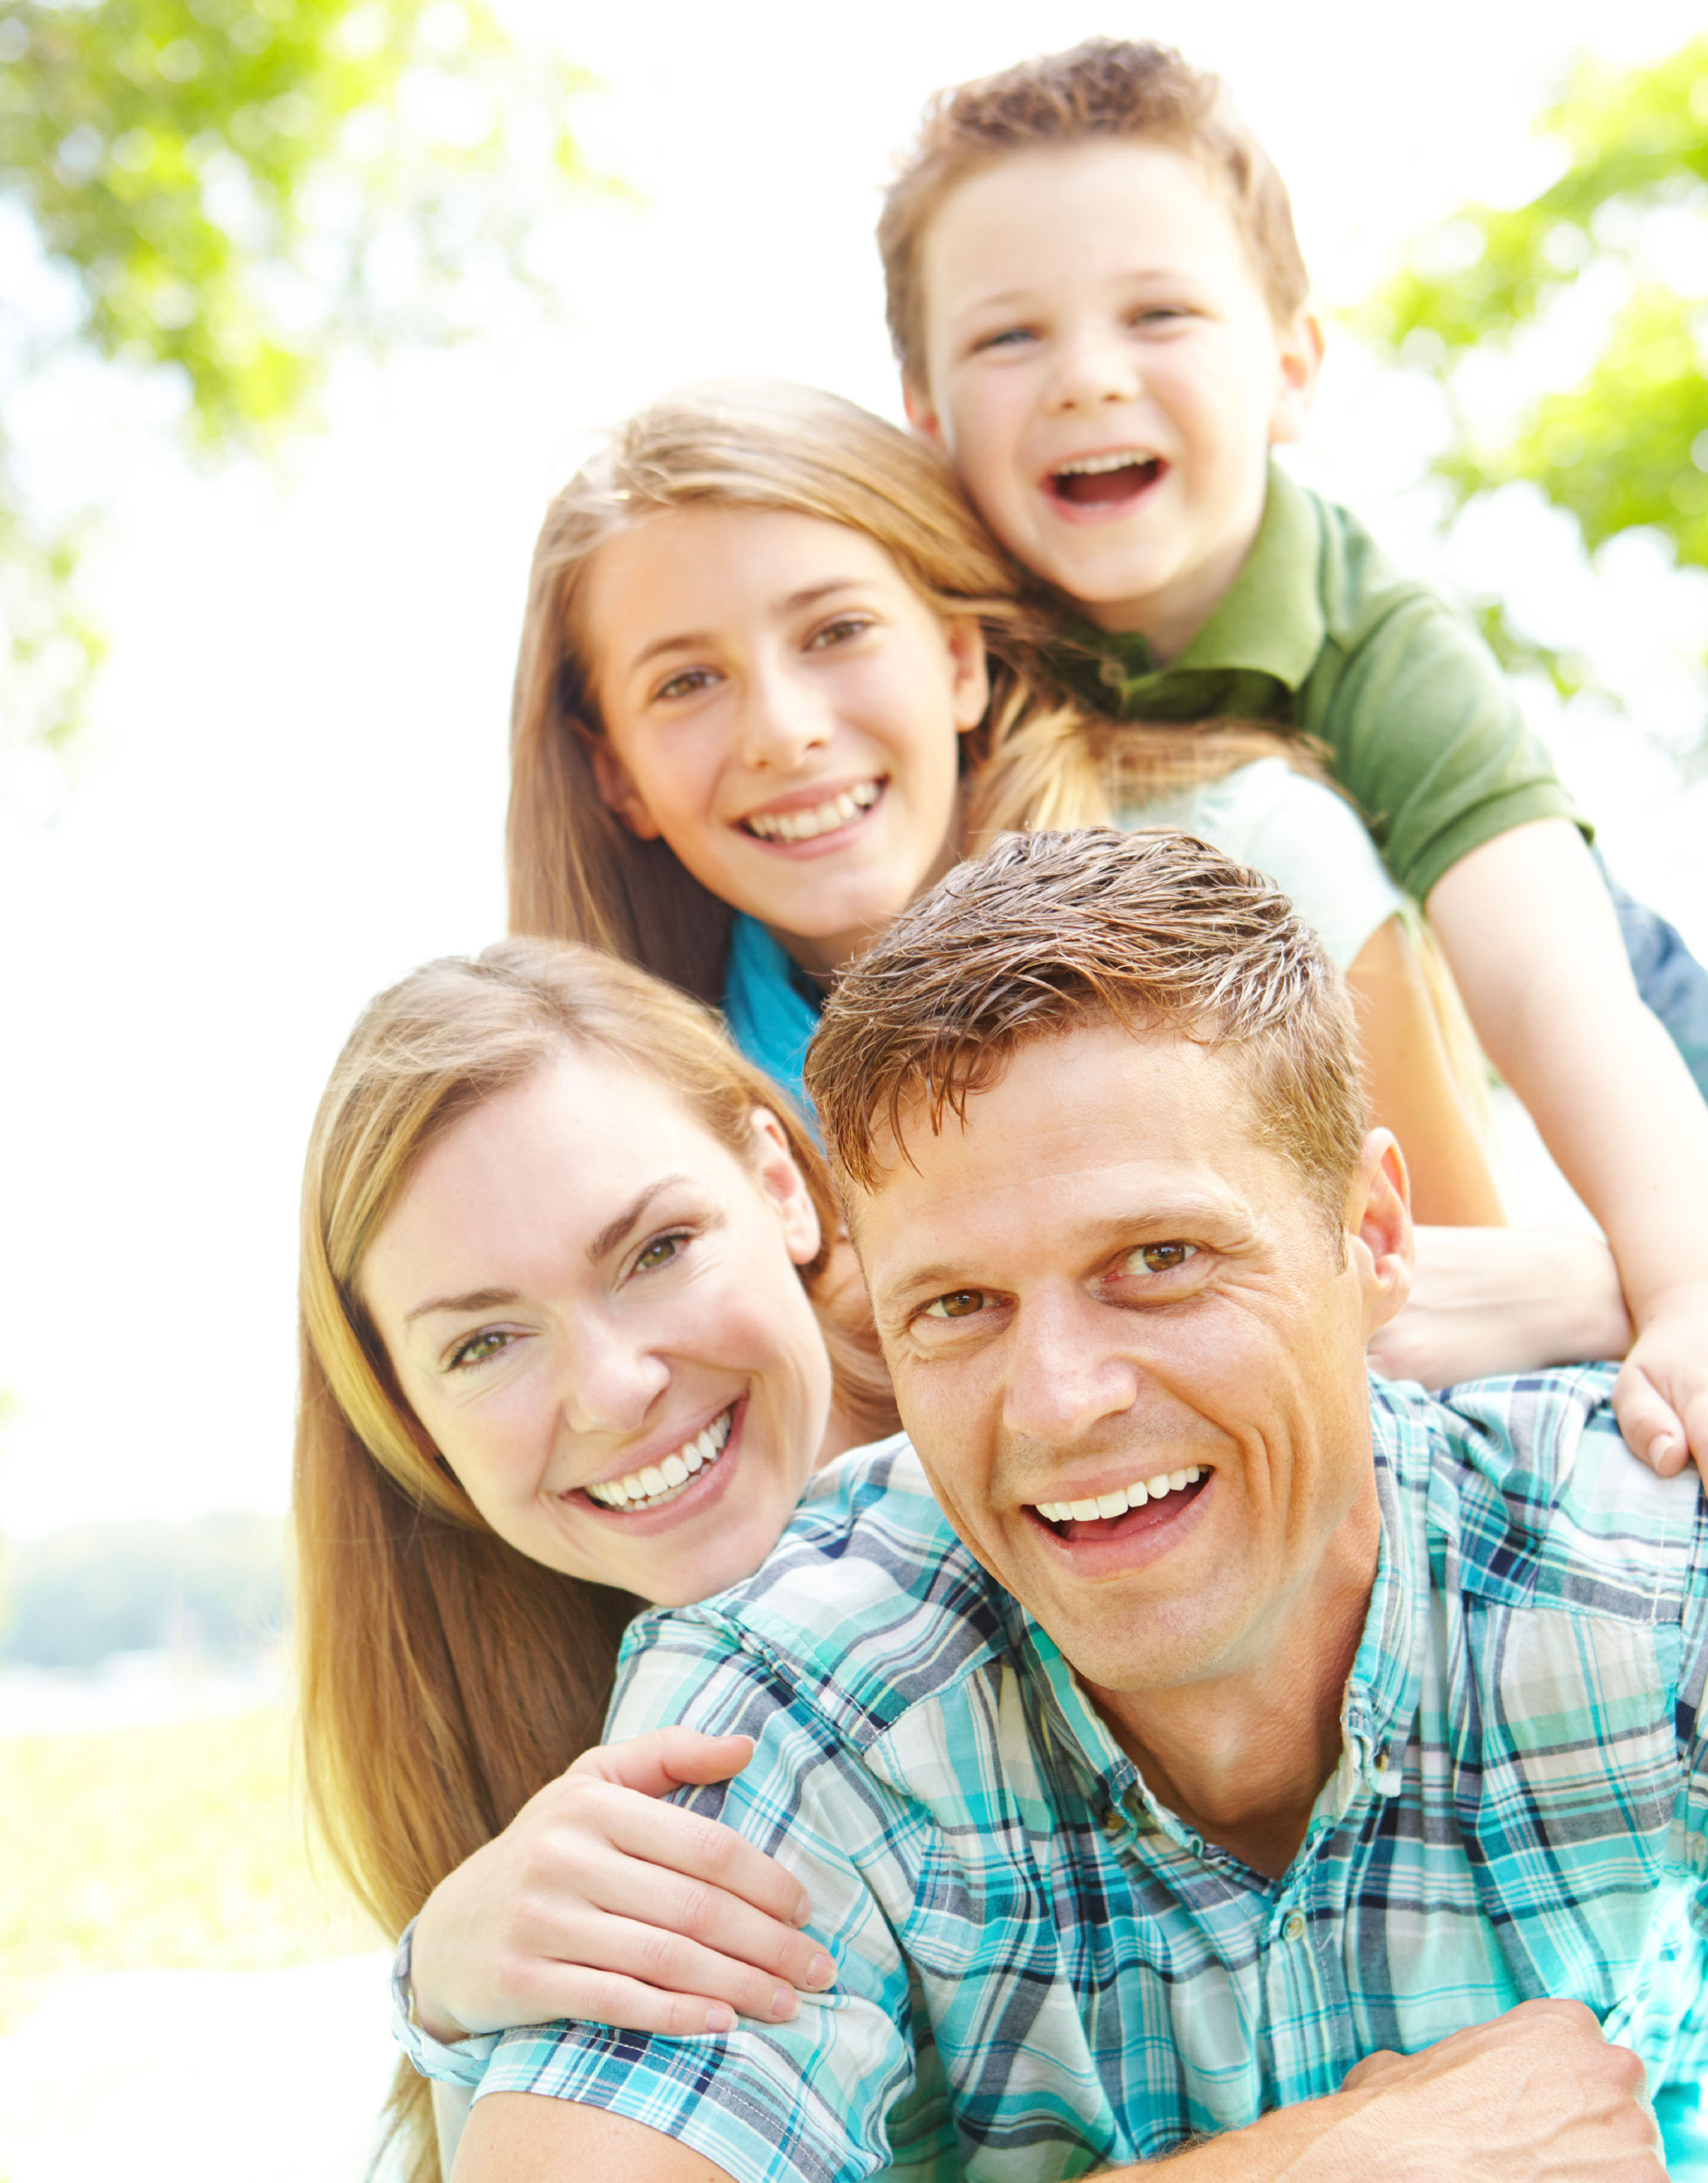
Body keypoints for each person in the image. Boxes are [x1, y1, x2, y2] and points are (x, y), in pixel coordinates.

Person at [447, 830, 1708, 2183]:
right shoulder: (805, 1689)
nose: (1053, 1402)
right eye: (956, 1305)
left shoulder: (1637, 1567)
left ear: (1375, 1239)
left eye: (1157, 1259)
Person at [878, 37, 1708, 1479]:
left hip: (1593, 1005)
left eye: (1158, 313)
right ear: (928, 416)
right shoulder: (932, 644)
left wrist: (1684, 1281)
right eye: (1011, 337)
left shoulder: (1368, 624)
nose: (1085, 377)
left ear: (1289, 367)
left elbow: (1547, 981)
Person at [506, 378, 1500, 1225]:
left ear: (956, 659)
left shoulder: (1258, 861)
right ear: (617, 775)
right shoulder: (654, 1110)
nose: (781, 729)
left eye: (836, 631)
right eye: (685, 683)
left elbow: (1474, 1312)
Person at [294, 938, 895, 2180]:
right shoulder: (492, 1695)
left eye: (657, 1249)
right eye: (486, 1343)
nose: (615, 1392)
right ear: (411, 1417)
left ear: (782, 1184)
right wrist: (448, 1999)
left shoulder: (1051, 1445)